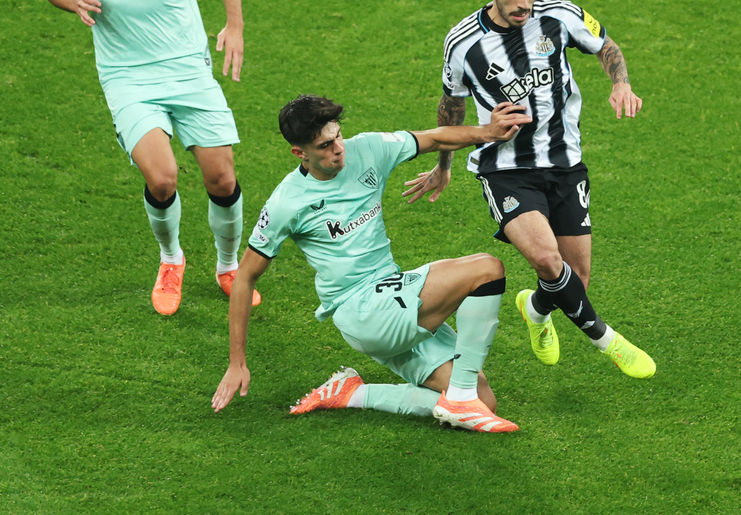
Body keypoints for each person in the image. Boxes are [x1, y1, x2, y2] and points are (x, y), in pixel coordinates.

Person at [403, 0, 656, 378]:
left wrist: (621, 83)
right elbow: (452, 106)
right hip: (506, 169)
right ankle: (607, 340)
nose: (524, 2)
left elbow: (607, 46)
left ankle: (535, 310)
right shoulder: (463, 43)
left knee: (574, 277)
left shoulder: (559, 15)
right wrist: (443, 165)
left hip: (564, 161)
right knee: (545, 259)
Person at [211, 95, 533, 432]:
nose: (338, 148)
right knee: (486, 269)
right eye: (324, 145)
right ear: (300, 153)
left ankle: (353, 393)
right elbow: (245, 277)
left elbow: (435, 137)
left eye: (337, 136)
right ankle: (461, 396)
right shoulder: (286, 203)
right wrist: (237, 362)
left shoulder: (366, 149)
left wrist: (489, 132)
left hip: (390, 291)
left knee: (486, 402)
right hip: (361, 310)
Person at [43, 0, 261, 316]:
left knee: (221, 177)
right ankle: (171, 259)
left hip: (186, 64)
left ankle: (228, 266)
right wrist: (71, 0)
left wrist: (235, 24)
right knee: (162, 179)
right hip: (127, 74)